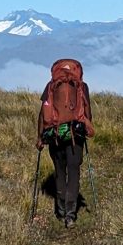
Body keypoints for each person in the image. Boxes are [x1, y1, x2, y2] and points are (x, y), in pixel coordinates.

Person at [36, 58, 94, 227]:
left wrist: (40, 137)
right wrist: (87, 127)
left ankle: (60, 210)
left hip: (55, 134)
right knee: (74, 171)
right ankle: (70, 214)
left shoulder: (51, 86)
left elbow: (42, 113)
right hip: (76, 134)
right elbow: (87, 110)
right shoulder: (82, 87)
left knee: (60, 171)